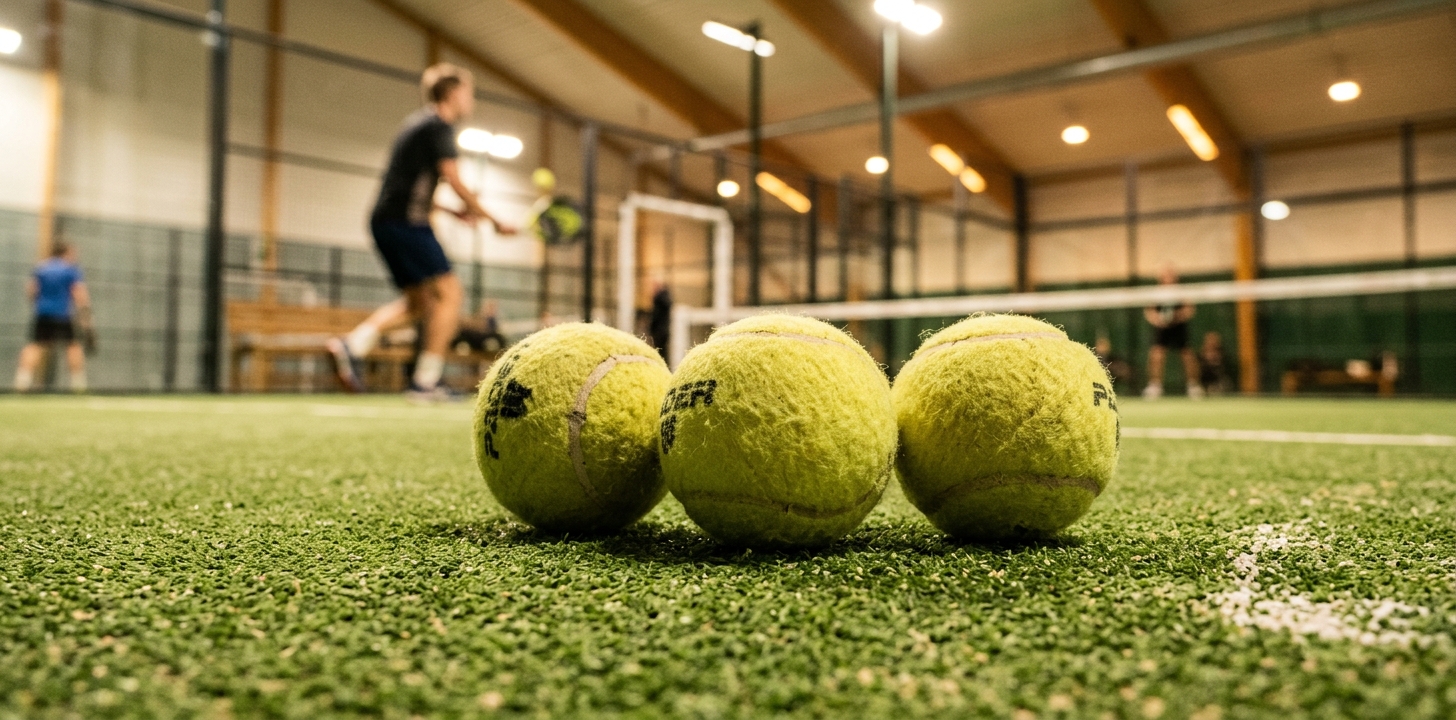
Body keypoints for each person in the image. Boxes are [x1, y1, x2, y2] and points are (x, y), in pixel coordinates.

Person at [327, 63, 515, 400]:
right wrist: (494, 220)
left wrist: (453, 212)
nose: (470, 100)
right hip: (407, 224)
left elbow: (408, 186)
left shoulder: (418, 125)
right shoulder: (439, 126)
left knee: (418, 303)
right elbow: (454, 180)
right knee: (451, 295)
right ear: (452, 93)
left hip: (384, 221)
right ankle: (426, 382)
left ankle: (351, 345)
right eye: (468, 93)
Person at [14, 242, 91, 393]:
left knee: (35, 345)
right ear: (66, 252)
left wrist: (40, 303)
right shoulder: (70, 269)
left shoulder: (41, 268)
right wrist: (85, 314)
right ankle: (78, 383)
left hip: (42, 313)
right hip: (62, 314)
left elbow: (31, 289)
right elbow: (78, 292)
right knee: (73, 346)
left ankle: (22, 380)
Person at [1143, 266, 1202, 400]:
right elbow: (1149, 311)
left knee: (1187, 355)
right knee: (1156, 355)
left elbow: (1189, 309)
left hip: (1179, 327)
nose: (1168, 278)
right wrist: (1158, 320)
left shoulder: (1181, 292)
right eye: (1166, 275)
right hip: (1162, 328)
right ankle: (1155, 386)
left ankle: (1193, 385)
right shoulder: (1157, 292)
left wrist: (1178, 316)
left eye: (1171, 275)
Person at [648, 281, 672, 359]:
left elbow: (656, 317)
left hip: (660, 332)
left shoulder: (660, 300)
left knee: (661, 351)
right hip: (661, 331)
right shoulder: (662, 299)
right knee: (661, 351)